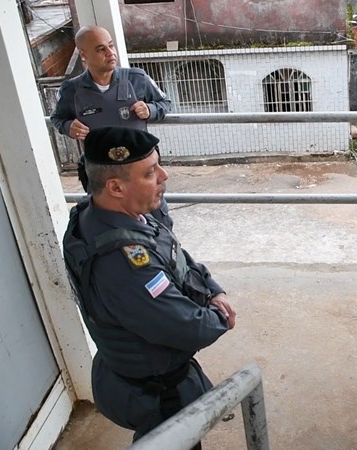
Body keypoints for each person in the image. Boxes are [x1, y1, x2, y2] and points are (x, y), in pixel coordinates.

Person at [62, 127, 236, 448]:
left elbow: (172, 251)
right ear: (115, 186)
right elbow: (186, 327)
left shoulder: (109, 213)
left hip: (133, 373)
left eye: (159, 165)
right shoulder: (122, 262)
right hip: (156, 393)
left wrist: (211, 288)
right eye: (150, 172)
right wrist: (220, 317)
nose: (164, 176)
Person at [51, 25, 174, 226]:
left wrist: (150, 110)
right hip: (101, 174)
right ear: (84, 54)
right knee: (112, 225)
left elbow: (165, 103)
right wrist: (68, 126)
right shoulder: (72, 89)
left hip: (140, 169)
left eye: (111, 46)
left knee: (158, 222)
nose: (110, 53)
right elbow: (57, 118)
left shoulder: (137, 78)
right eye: (101, 49)